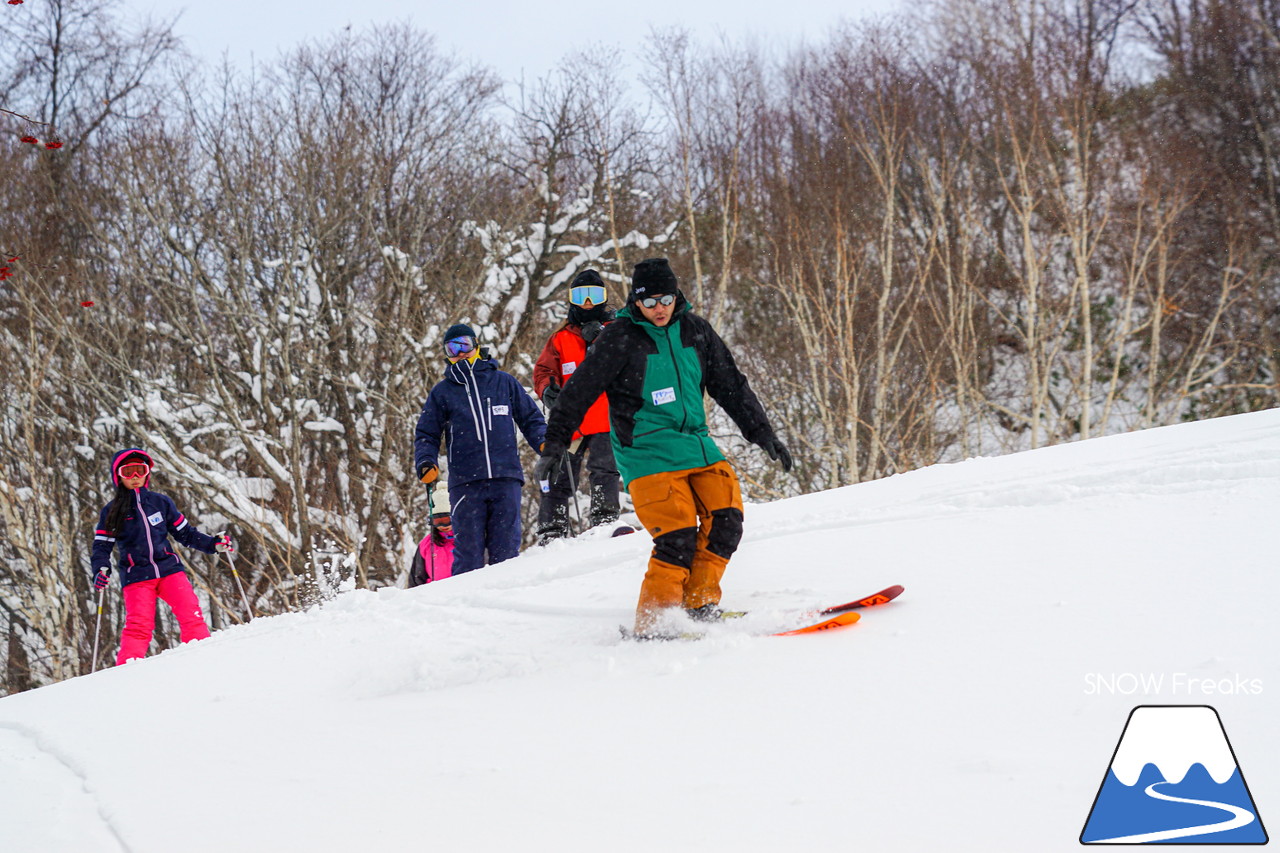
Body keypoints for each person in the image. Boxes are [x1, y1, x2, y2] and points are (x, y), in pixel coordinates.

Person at [535, 258, 792, 637]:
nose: (660, 308)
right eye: (651, 301)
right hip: (645, 449)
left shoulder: (695, 330)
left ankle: (699, 604)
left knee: (727, 520)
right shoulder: (619, 337)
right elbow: (579, 390)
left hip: (696, 444)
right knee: (677, 535)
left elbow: (730, 385)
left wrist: (761, 431)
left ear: (677, 296)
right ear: (636, 301)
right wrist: (555, 444)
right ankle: (655, 620)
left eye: (667, 299)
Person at [414, 323, 547, 574]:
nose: (460, 352)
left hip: (505, 476)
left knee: (506, 551)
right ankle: (465, 606)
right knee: (469, 553)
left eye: (464, 344)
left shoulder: (503, 382)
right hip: (466, 481)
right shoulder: (442, 392)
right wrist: (425, 462)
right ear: (447, 354)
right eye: (452, 348)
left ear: (476, 345)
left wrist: (544, 442)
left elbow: (531, 418)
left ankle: (506, 603)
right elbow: (426, 434)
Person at [90, 448, 232, 665]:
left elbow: (185, 534)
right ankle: (126, 672)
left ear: (148, 473)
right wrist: (101, 569)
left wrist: (213, 545)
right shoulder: (111, 511)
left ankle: (202, 659)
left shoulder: (160, 503)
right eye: (129, 472)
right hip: (137, 576)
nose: (135, 477)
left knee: (190, 612)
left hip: (169, 570)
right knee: (139, 626)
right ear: (118, 475)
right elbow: (102, 546)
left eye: (140, 470)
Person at [532, 269, 622, 543]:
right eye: (580, 296)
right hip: (572, 418)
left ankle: (605, 519)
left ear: (603, 298)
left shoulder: (616, 331)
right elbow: (544, 369)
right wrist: (547, 389)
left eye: (594, 295)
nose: (587, 302)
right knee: (558, 471)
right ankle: (552, 530)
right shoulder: (561, 337)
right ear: (571, 299)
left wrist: (601, 339)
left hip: (605, 414)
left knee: (604, 468)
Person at [408, 510, 456, 587]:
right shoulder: (426, 544)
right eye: (437, 521)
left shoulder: (466, 540)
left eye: (446, 520)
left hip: (462, 591)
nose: (443, 525)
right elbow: (417, 576)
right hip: (435, 593)